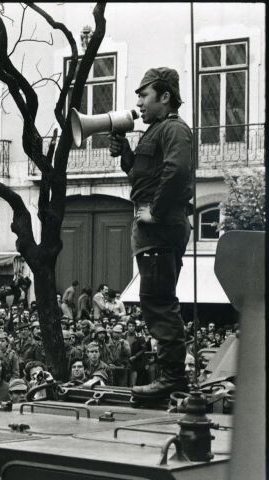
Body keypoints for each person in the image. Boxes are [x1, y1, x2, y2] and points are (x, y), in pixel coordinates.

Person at [110, 67, 193, 398]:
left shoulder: (174, 129)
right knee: (155, 300)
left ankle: (172, 377)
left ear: (165, 97)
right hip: (155, 230)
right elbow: (144, 175)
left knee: (158, 301)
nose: (139, 103)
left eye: (144, 95)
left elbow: (177, 171)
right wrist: (126, 154)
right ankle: (170, 375)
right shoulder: (158, 131)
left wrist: (156, 212)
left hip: (159, 228)